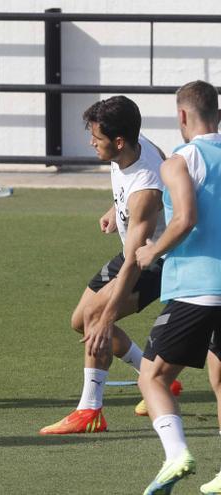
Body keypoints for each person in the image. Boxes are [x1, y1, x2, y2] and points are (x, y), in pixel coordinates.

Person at [40, 96, 175, 434]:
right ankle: (156, 377)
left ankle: (90, 411)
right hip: (133, 248)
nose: (90, 142)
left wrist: (108, 316)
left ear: (118, 141)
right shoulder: (136, 142)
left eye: (96, 138)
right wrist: (117, 210)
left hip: (153, 261)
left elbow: (134, 259)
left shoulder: (145, 190)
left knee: (96, 318)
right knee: (79, 320)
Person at [133, 80, 221, 495]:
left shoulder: (180, 161)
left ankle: (176, 455)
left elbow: (185, 218)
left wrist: (153, 252)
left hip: (198, 288)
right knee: (220, 378)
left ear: (182, 116)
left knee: (152, 376)